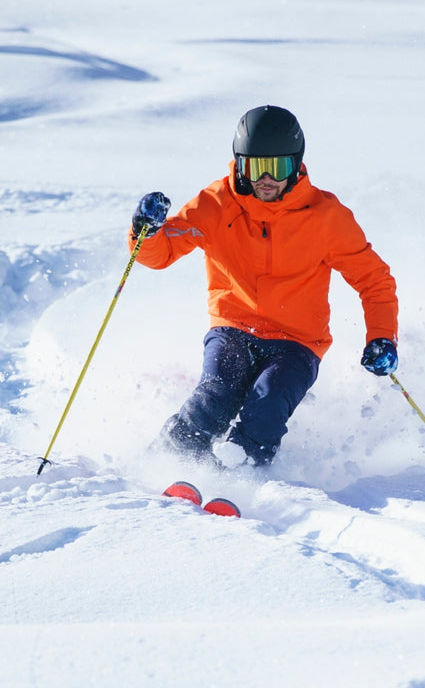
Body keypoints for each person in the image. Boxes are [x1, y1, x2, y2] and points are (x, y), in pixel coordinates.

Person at [130, 105, 399, 467]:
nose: (267, 179)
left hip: (297, 343)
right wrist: (146, 230)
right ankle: (165, 464)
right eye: (256, 167)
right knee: (214, 397)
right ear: (240, 164)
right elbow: (159, 255)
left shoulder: (326, 217)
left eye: (279, 166)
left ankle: (239, 476)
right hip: (233, 328)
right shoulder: (216, 205)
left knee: (268, 403)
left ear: (297, 164)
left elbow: (374, 280)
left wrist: (381, 336)